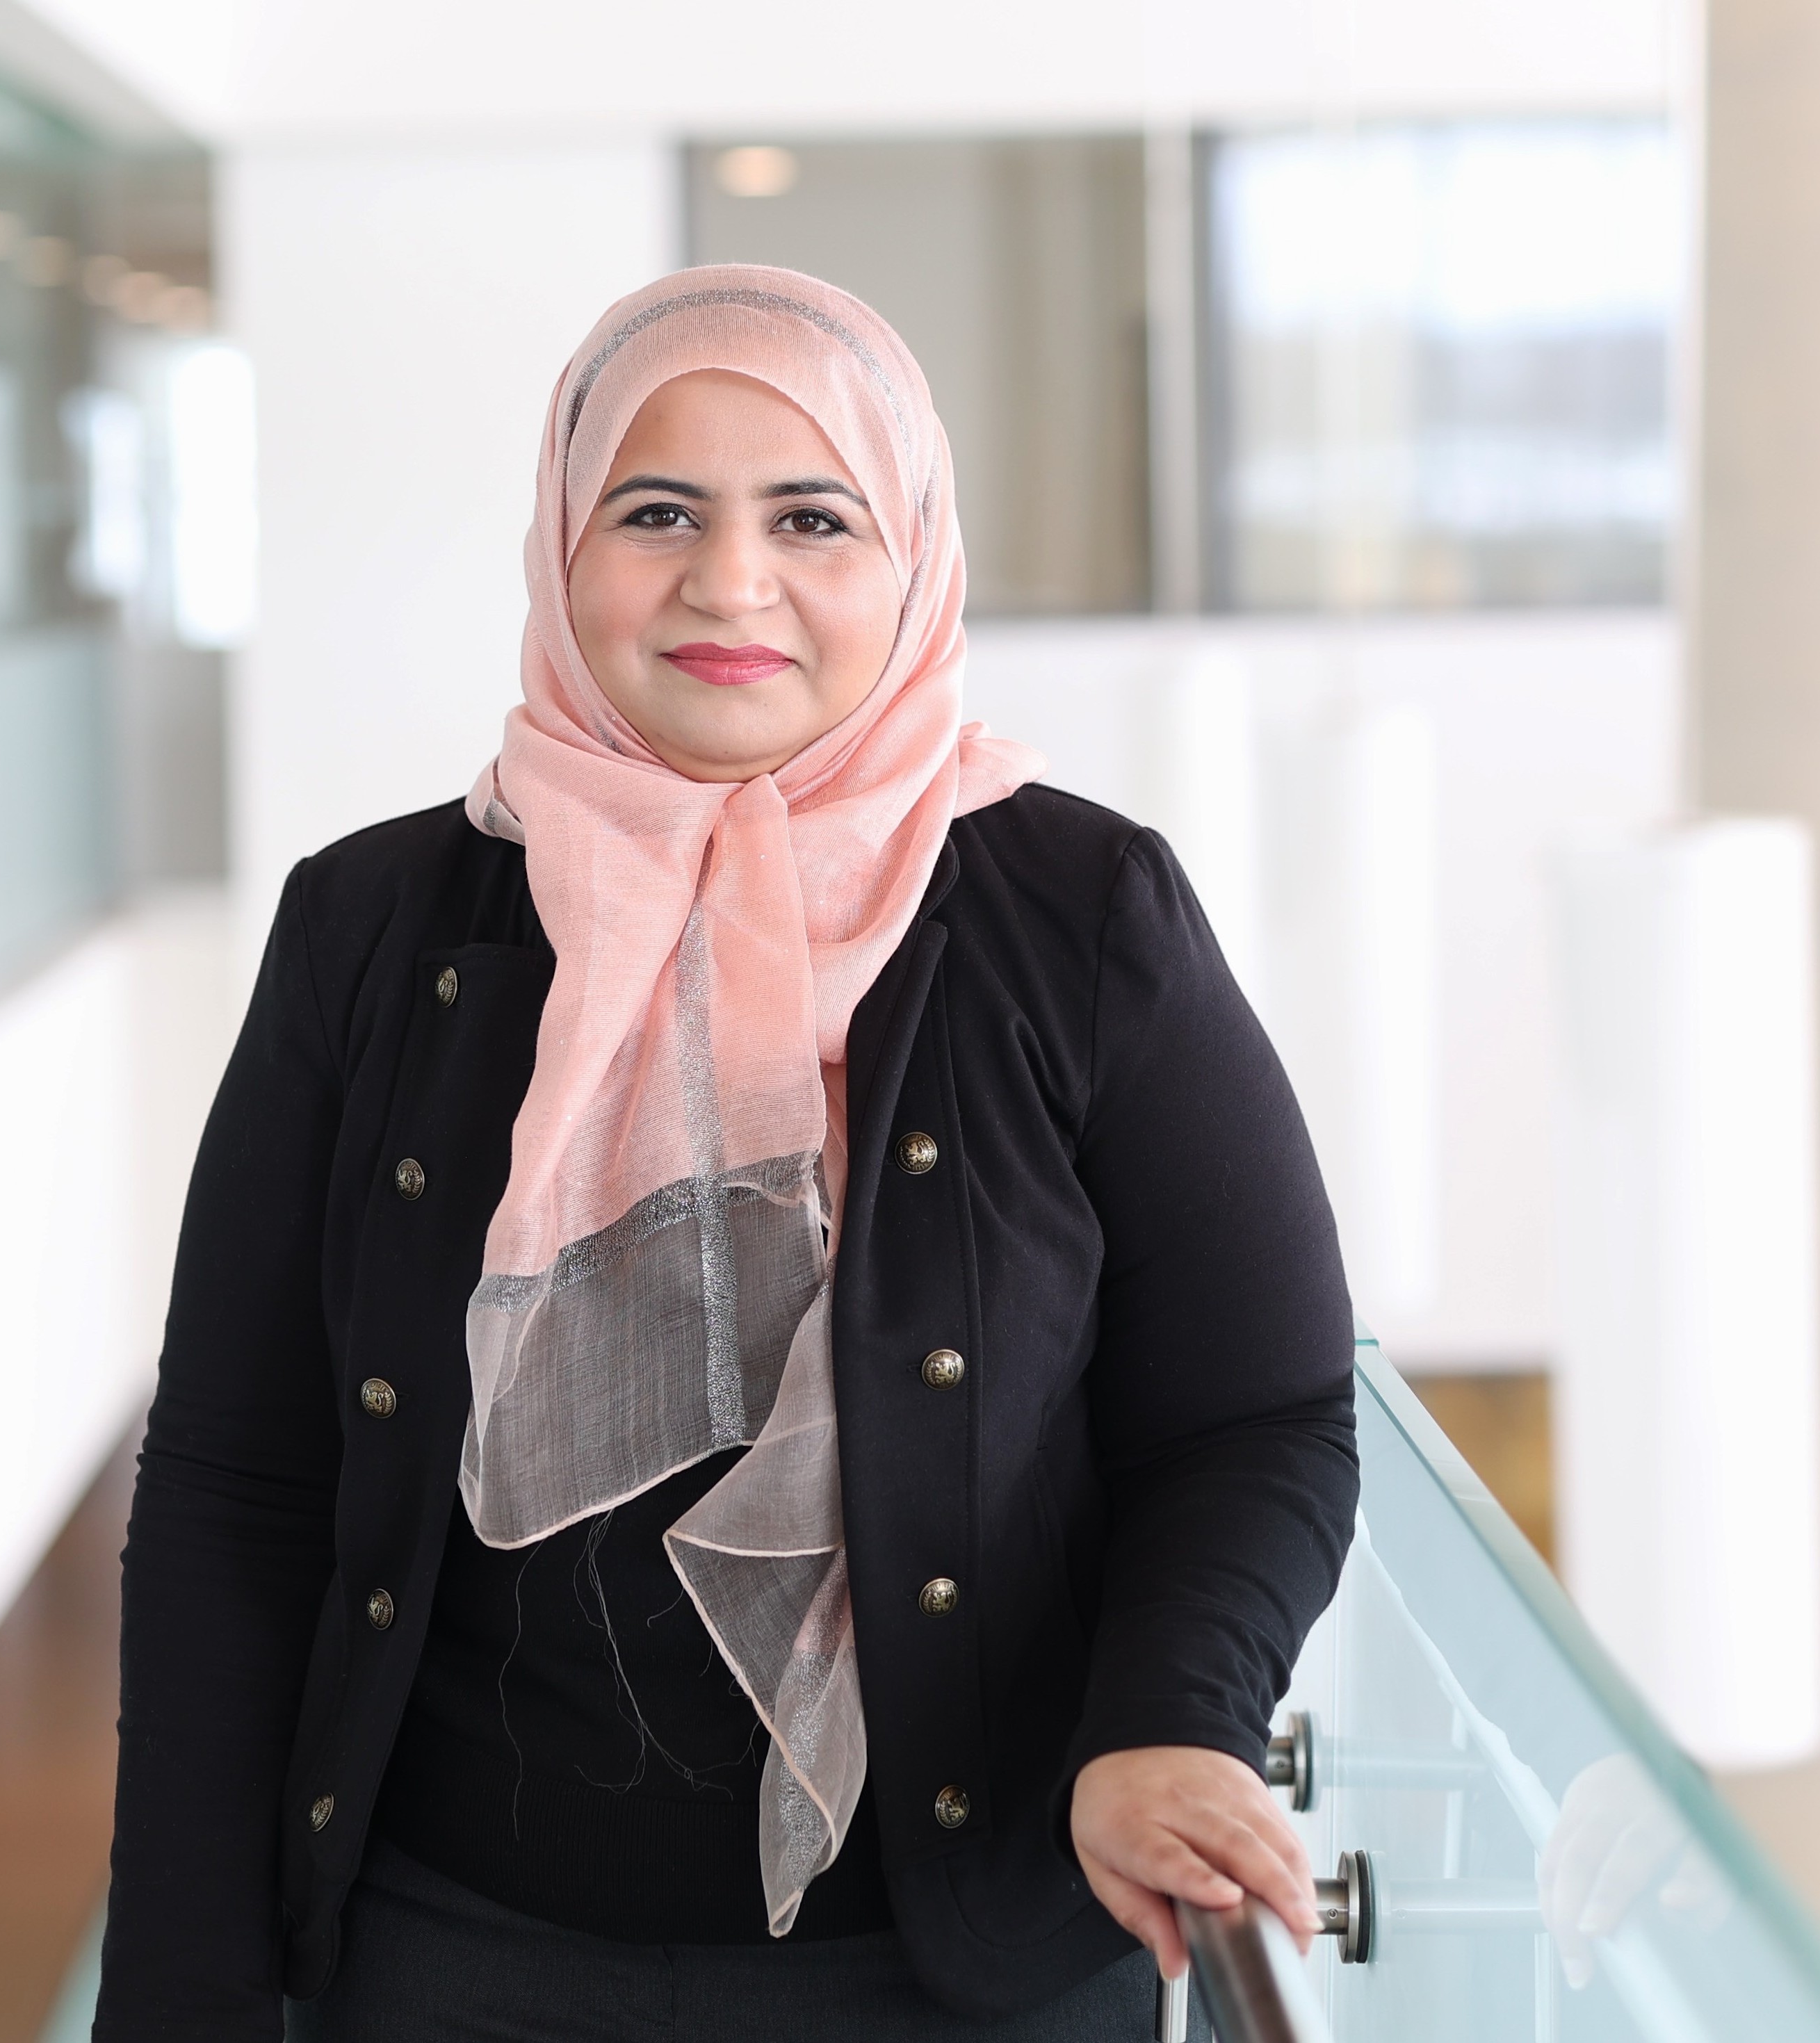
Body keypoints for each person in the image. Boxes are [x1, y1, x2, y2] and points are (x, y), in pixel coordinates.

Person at [93, 266, 1358, 2043]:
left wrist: (1174, 1713)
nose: (729, 581)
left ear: (909, 553)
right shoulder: (371, 929)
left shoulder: (1077, 917)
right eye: (659, 510)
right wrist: (182, 1991)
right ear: (560, 539)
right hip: (450, 1957)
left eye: (812, 515)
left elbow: (1255, 1416)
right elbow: (239, 1481)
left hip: (960, 1969)